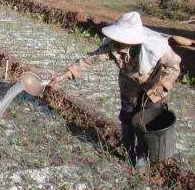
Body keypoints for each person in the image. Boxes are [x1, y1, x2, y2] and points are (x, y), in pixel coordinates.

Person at [50, 11, 181, 171]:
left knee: (148, 122)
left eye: (122, 39)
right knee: (127, 117)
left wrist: (162, 85)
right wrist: (64, 75)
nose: (118, 42)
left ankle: (144, 153)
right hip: (128, 87)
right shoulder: (112, 46)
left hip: (153, 88)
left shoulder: (155, 46)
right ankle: (130, 149)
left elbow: (174, 66)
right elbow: (89, 60)